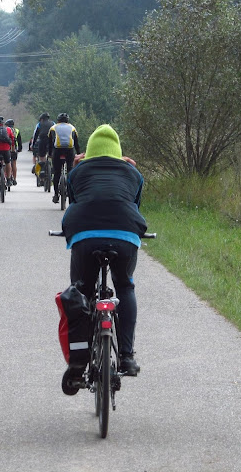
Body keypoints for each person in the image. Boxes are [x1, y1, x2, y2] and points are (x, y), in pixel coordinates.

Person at [60, 124, 147, 391]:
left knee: (81, 292)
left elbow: (74, 198)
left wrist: (78, 165)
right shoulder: (133, 173)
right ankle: (127, 357)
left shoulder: (78, 171)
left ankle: (78, 360)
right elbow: (134, 203)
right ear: (118, 153)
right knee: (125, 286)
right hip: (125, 234)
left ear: (90, 153)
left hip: (85, 235)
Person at [47, 113, 81, 203]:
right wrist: (78, 154)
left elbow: (50, 143)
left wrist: (50, 154)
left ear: (58, 120)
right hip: (69, 151)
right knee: (70, 171)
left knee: (57, 172)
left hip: (57, 151)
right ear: (68, 121)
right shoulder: (72, 128)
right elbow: (76, 143)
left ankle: (56, 195)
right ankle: (71, 195)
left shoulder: (53, 128)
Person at [34, 112, 55, 180]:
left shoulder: (39, 124)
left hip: (42, 140)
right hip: (51, 141)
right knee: (52, 154)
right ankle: (53, 167)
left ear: (42, 119)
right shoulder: (53, 123)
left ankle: (42, 169)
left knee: (41, 156)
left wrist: (33, 144)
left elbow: (35, 135)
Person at [5, 118, 22, 185]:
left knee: (6, 163)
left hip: (6, 148)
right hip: (14, 148)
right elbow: (19, 140)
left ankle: (6, 177)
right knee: (14, 163)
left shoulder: (5, 130)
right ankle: (14, 179)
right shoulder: (16, 130)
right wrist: (20, 148)